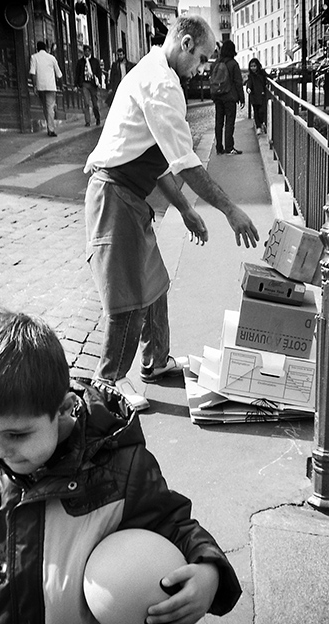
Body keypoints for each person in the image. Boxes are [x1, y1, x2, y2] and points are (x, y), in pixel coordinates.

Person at [0, 306, 242, 624]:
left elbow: (174, 524)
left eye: (16, 434)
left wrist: (208, 572)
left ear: (63, 409)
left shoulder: (119, 465)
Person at [83, 15, 259, 411]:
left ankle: (156, 361)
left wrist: (185, 209)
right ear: (185, 43)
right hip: (114, 195)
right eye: (201, 58)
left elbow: (161, 161)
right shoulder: (161, 84)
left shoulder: (154, 73)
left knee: (155, 283)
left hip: (126, 194)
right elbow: (186, 165)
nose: (201, 68)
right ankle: (107, 382)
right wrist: (231, 211)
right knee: (127, 298)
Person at [212, 40, 244, 155]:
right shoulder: (233, 64)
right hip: (229, 97)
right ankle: (229, 147)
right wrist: (241, 98)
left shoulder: (216, 63)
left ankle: (219, 147)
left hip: (218, 97)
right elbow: (238, 82)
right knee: (229, 122)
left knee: (219, 122)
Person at [29, 41, 63, 137]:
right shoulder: (52, 58)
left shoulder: (34, 57)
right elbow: (59, 74)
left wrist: (34, 86)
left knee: (45, 107)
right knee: (50, 108)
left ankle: (49, 126)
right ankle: (51, 129)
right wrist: (61, 86)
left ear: (37, 48)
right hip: (51, 86)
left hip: (40, 87)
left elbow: (33, 73)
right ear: (46, 48)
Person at [75, 45, 102, 127]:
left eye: (88, 51)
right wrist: (76, 84)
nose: (87, 52)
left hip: (93, 84)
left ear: (90, 52)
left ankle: (97, 117)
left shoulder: (95, 61)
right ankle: (87, 121)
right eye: (85, 51)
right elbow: (77, 73)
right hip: (84, 83)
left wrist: (99, 82)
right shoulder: (80, 62)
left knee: (94, 103)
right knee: (86, 102)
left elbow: (98, 72)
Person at [245, 57, 268, 136]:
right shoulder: (250, 76)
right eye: (251, 66)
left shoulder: (262, 73)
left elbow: (267, 78)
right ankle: (258, 126)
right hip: (254, 96)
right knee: (256, 112)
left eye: (254, 66)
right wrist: (248, 89)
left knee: (261, 111)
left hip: (261, 95)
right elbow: (249, 83)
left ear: (257, 66)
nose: (253, 68)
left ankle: (261, 123)